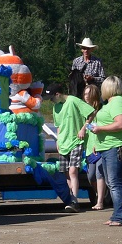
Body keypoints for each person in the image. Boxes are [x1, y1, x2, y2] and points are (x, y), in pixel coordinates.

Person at [86, 76, 122, 226]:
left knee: (115, 182)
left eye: (103, 87)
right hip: (105, 147)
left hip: (115, 147)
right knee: (112, 183)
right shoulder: (108, 103)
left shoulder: (118, 101)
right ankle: (117, 215)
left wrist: (100, 129)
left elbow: (121, 124)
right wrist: (96, 141)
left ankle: (120, 217)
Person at [49, 73, 94, 212]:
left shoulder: (73, 101)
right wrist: (57, 140)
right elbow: (58, 125)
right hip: (63, 143)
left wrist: (83, 129)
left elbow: (91, 113)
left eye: (51, 97)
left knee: (73, 170)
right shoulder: (56, 107)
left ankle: (75, 201)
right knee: (66, 173)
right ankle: (71, 199)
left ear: (57, 94)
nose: (50, 100)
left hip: (76, 140)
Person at [81, 83, 107, 209]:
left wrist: (97, 144)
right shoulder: (85, 111)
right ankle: (101, 194)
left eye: (88, 93)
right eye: (84, 94)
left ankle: (100, 201)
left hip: (100, 146)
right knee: (91, 176)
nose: (85, 96)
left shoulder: (101, 110)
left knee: (99, 173)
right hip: (89, 147)